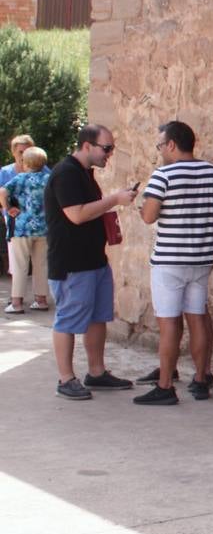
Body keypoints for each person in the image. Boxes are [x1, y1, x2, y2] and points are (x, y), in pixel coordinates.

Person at [132, 121, 213, 405]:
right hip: (201, 258)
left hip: (170, 260)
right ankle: (201, 378)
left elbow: (149, 216)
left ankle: (165, 386)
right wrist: (199, 214)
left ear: (172, 145)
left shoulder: (162, 175)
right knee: (197, 318)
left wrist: (145, 207)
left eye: (160, 145)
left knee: (168, 324)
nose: (160, 150)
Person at [45, 124, 138, 400]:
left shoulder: (84, 173)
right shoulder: (66, 173)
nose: (109, 154)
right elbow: (76, 215)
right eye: (106, 148)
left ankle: (96, 373)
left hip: (94, 260)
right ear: (87, 146)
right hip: (72, 263)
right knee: (68, 320)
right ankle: (65, 378)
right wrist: (114, 199)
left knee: (99, 318)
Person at [1, 145, 51, 313]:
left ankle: (16, 303)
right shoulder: (49, 178)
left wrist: (8, 208)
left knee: (20, 265)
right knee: (41, 265)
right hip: (44, 227)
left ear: (25, 162)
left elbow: (2, 191)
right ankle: (41, 300)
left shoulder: (20, 178)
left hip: (22, 228)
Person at [1, 134, 35, 278]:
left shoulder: (42, 170)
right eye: (20, 152)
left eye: (27, 151)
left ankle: (40, 298)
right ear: (13, 152)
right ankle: (16, 299)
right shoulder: (6, 172)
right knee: (17, 264)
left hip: (37, 221)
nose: (23, 156)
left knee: (41, 262)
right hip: (15, 221)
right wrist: (6, 210)